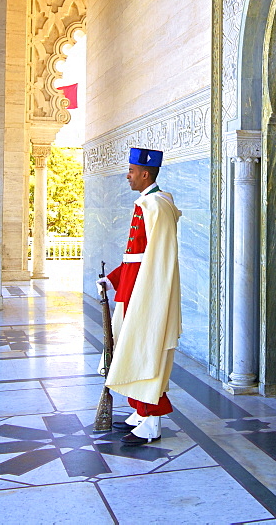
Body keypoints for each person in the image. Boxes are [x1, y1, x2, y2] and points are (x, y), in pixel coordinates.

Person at [96, 147, 182, 446]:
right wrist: (113, 280)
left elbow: (158, 260)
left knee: (145, 351)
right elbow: (136, 257)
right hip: (131, 290)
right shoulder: (147, 203)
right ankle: (139, 412)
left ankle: (152, 420)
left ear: (145, 173)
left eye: (131, 171)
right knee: (128, 348)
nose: (127, 175)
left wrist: (147, 297)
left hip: (146, 294)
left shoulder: (157, 205)